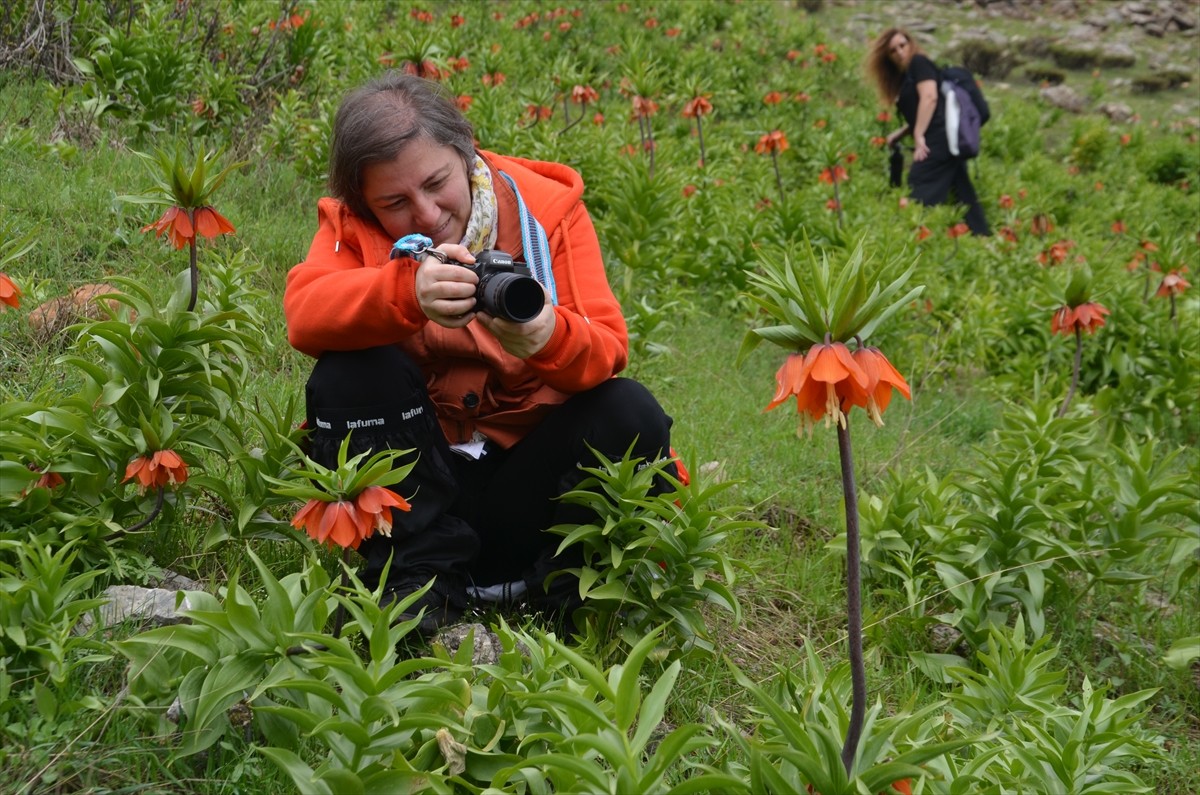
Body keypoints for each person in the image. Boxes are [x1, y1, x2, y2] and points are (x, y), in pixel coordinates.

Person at [284, 72, 677, 634]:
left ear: (464, 149)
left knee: (627, 411)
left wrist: (547, 337)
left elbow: (608, 348)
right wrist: (404, 293)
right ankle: (414, 585)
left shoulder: (547, 210)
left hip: (520, 483)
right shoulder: (354, 225)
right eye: (394, 201)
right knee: (352, 368)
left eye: (437, 181)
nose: (424, 213)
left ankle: (562, 589)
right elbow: (305, 313)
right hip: (417, 482)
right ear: (365, 202)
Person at [866, 28, 991, 236]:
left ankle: (905, 239)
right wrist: (902, 133)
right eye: (892, 50)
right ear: (886, 57)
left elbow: (930, 98)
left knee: (918, 187)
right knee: (963, 193)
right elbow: (925, 112)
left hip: (938, 139)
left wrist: (919, 135)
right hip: (942, 137)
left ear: (911, 44)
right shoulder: (907, 75)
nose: (899, 52)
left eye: (902, 45)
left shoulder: (919, 63)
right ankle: (984, 240)